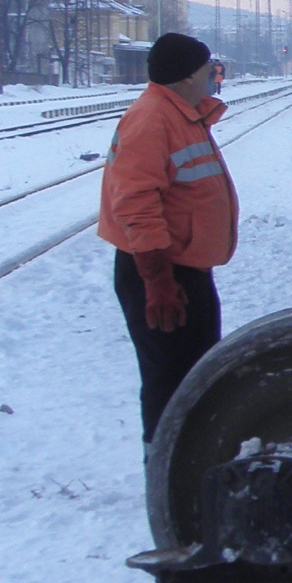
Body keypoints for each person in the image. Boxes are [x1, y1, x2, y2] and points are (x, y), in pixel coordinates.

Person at [99, 33, 236, 443]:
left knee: (195, 376)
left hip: (183, 272)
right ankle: (165, 471)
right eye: (206, 69)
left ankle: (188, 465)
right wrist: (158, 282)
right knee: (171, 382)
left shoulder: (180, 114)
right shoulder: (153, 119)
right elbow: (136, 204)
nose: (213, 76)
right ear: (185, 77)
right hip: (160, 274)